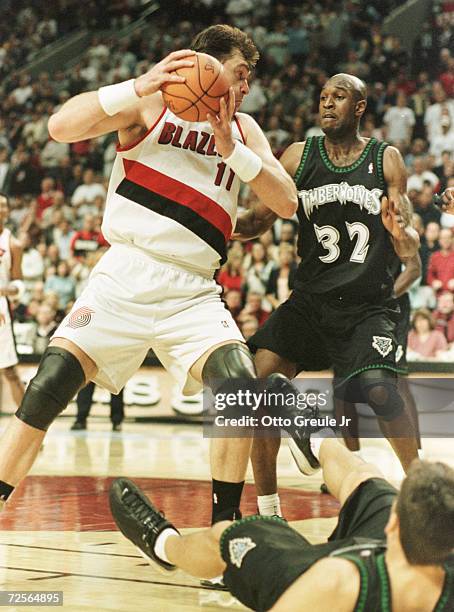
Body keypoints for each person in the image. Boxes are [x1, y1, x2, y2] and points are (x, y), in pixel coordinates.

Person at [0, 25, 298, 528]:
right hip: (124, 275)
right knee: (48, 385)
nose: (246, 88)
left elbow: (286, 202)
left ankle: (225, 533)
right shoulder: (148, 106)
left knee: (238, 386)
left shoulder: (245, 130)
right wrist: (139, 84)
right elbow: (60, 126)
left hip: (194, 291)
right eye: (241, 74)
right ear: (206, 66)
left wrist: (234, 152)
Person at [231, 73, 421, 516]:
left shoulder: (385, 159)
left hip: (366, 305)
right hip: (311, 301)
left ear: (359, 107)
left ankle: (421, 492)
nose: (328, 104)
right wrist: (206, 219)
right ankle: (269, 509)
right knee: (257, 380)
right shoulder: (300, 156)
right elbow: (258, 219)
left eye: (339, 97)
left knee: (378, 390)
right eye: (323, 97)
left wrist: (401, 232)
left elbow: (408, 245)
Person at [109, 425, 454, 611]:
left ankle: (161, 544)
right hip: (394, 558)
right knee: (365, 481)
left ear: (395, 524)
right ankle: (313, 438)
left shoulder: (335, 585)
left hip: (304, 571)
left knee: (226, 536)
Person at [332, 252, 422, 465]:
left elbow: (414, 268)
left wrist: (384, 298)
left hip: (388, 309)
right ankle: (355, 463)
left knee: (396, 383)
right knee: (342, 384)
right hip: (348, 310)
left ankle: (417, 464)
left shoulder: (391, 219)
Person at [0, 193, 25, 409]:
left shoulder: (12, 243)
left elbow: (20, 284)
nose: (0, 210)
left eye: (3, 206)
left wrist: (7, 290)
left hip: (1, 311)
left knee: (9, 371)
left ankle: (29, 427)